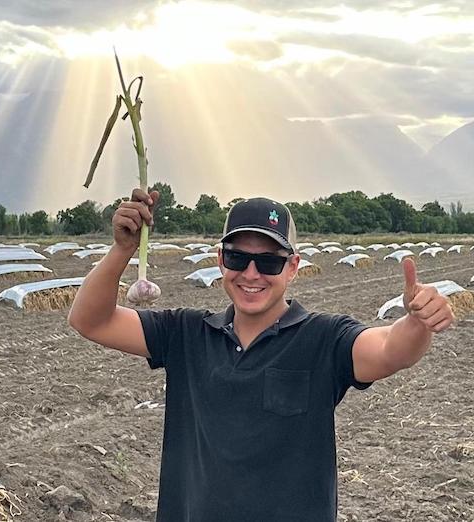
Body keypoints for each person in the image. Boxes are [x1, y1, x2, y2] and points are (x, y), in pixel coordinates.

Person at [68, 188, 454, 522]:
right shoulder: (185, 333)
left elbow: (391, 349)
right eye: (238, 259)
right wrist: (122, 250)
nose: (251, 274)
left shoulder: (323, 339)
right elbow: (90, 320)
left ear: (293, 267)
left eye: (269, 261)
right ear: (221, 261)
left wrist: (417, 322)